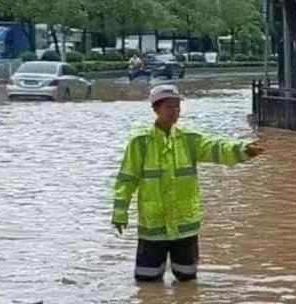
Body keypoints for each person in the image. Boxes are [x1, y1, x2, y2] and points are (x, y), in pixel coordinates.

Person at [111, 84, 264, 282]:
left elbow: (216, 148)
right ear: (156, 109)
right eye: (169, 107)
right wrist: (119, 213)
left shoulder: (189, 139)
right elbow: (126, 179)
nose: (174, 112)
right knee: (147, 281)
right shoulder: (140, 142)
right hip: (153, 225)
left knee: (187, 282)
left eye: (177, 107)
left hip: (185, 225)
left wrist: (242, 150)